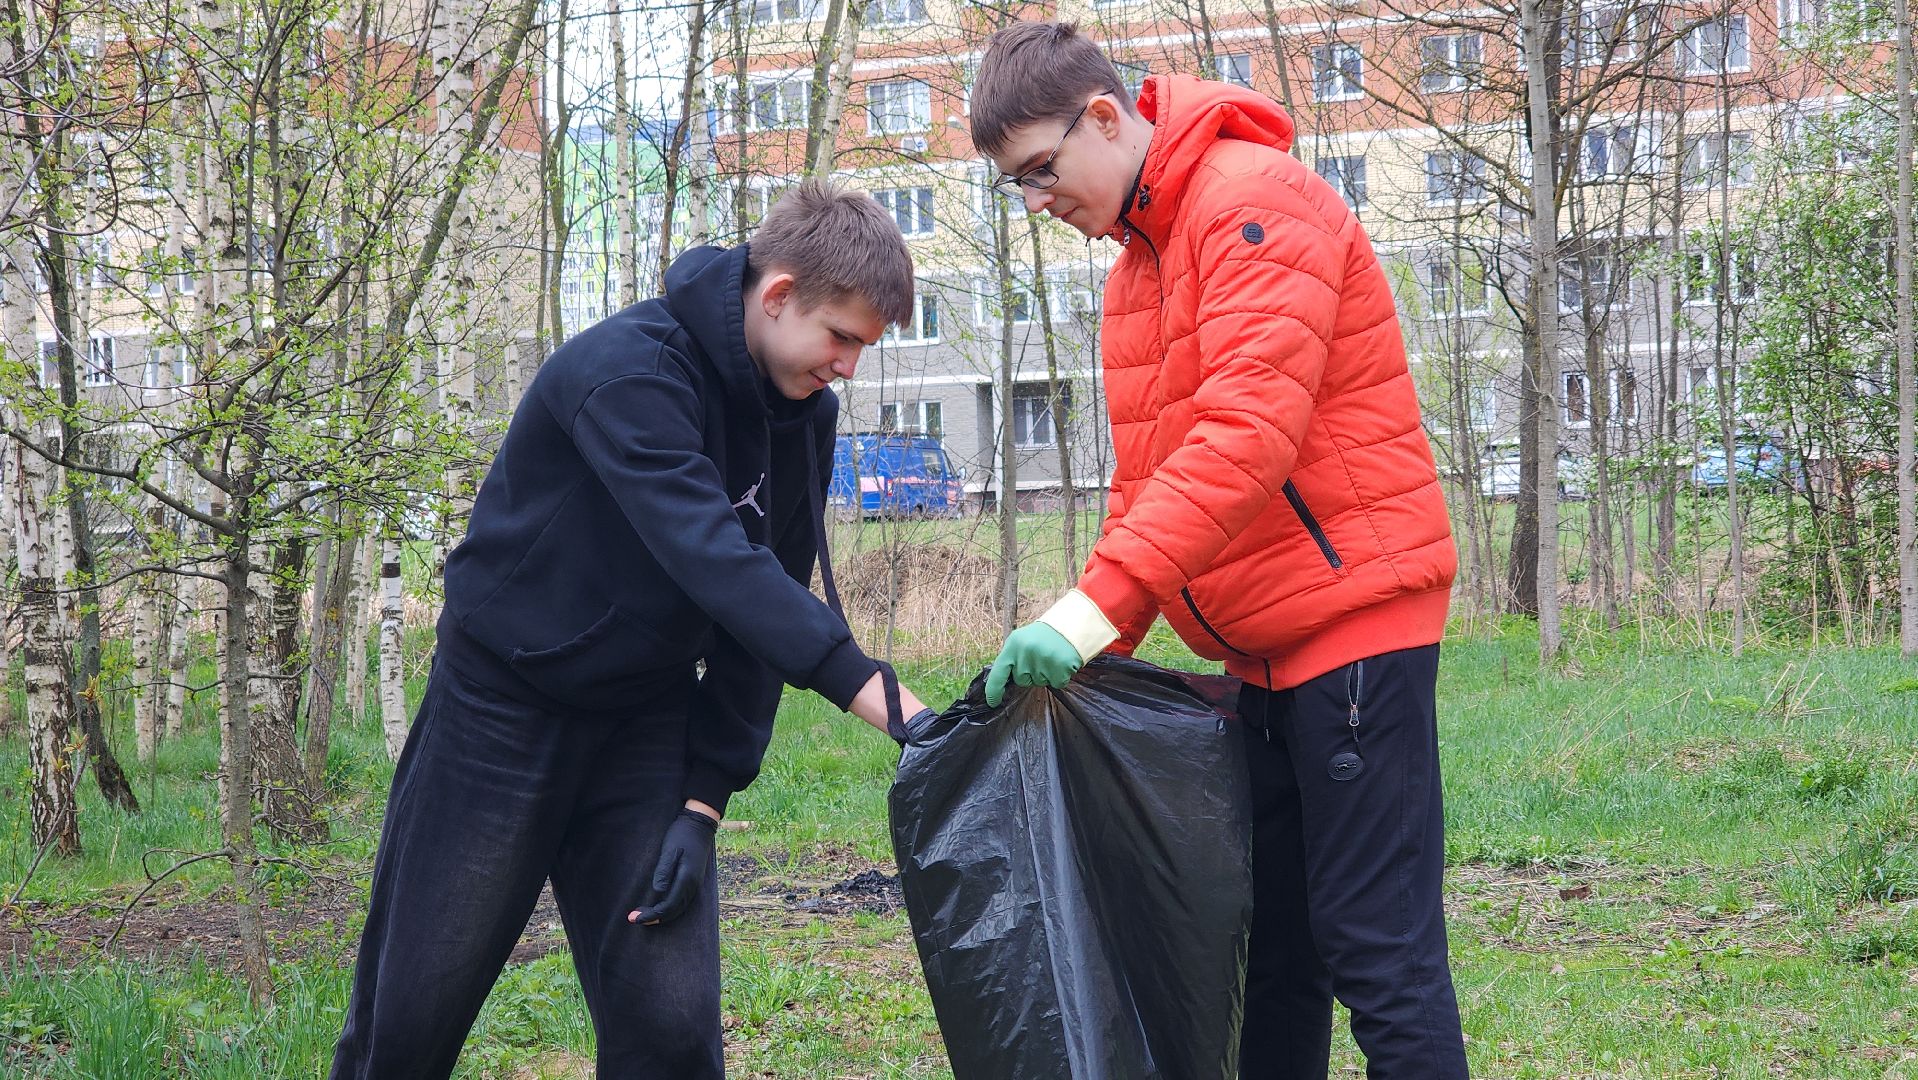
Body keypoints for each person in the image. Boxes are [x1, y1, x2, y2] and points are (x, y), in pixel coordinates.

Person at [330, 179, 932, 1079]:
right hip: (500, 712)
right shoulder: (626, 373)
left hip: (645, 723)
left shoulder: (806, 411)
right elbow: (715, 559)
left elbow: (767, 597)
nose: (847, 365)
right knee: (408, 1021)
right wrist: (899, 710)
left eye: (862, 347)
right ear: (775, 298)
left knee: (673, 1031)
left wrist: (704, 798)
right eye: (840, 338)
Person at [969, 22, 1468, 1079]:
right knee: (1277, 954)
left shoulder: (1249, 203)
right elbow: (1148, 480)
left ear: (1105, 117)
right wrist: (1102, 631)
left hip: (1350, 636)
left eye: (1040, 171)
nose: (1037, 201)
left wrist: (1089, 609)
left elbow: (1247, 435)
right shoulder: (1136, 273)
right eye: (1016, 186)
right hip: (1265, 657)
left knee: (1377, 948)